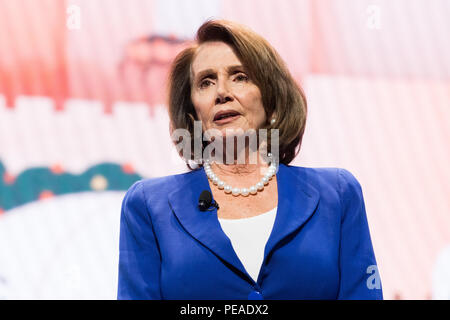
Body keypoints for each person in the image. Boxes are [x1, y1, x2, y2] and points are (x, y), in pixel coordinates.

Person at [117, 19, 383, 300]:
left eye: (240, 77)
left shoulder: (337, 194)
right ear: (193, 114)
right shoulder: (149, 205)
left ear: (270, 99)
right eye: (206, 82)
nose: (222, 93)